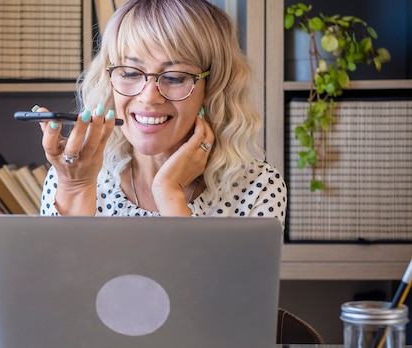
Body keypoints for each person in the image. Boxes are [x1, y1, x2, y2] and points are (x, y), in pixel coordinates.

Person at [35, 0, 286, 226]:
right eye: (131, 73)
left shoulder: (258, 187)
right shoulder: (75, 175)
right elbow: (62, 276)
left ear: (213, 87)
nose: (149, 97)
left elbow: (218, 280)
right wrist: (76, 189)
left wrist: (169, 193)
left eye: (175, 77)